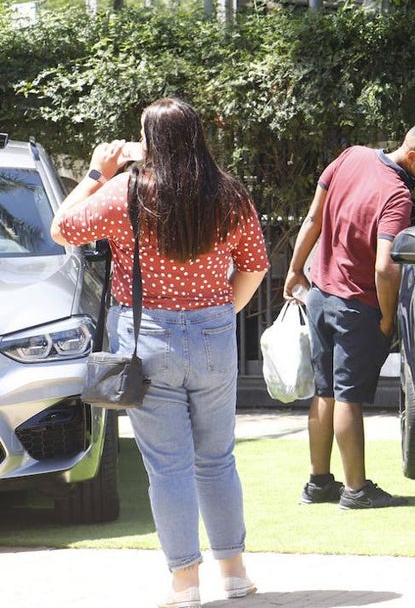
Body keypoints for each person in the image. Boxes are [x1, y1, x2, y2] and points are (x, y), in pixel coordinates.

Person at [51, 98, 269, 608]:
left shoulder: (127, 190)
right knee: (216, 460)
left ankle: (185, 584)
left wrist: (95, 172)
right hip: (215, 333)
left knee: (168, 468)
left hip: (145, 340)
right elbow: (255, 265)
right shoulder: (228, 193)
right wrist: (219, 313)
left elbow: (63, 228)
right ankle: (235, 574)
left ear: (150, 141)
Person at [284, 121, 415, 510]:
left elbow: (312, 219)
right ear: (413, 156)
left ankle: (318, 482)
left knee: (324, 392)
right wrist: (387, 317)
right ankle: (356, 490)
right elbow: (384, 267)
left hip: (320, 293)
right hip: (356, 305)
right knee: (349, 398)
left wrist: (296, 270)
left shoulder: (350, 157)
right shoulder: (397, 195)